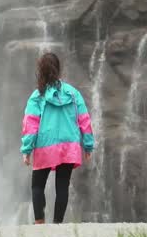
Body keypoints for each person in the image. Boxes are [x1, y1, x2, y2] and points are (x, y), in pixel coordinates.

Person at [20, 52, 94, 224]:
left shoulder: (37, 96)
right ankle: (57, 224)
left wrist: (26, 150)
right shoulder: (73, 94)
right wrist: (88, 145)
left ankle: (39, 222)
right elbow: (84, 120)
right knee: (62, 187)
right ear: (58, 69)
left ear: (40, 71)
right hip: (69, 147)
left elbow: (30, 126)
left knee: (37, 185)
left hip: (45, 147)